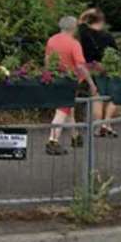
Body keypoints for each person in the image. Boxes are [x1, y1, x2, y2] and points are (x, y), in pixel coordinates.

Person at [44, 15, 97, 155]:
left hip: (55, 79)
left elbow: (47, 60)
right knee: (63, 110)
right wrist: (91, 83)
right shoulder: (74, 44)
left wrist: (48, 75)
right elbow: (80, 66)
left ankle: (75, 136)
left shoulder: (51, 40)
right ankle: (52, 140)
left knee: (68, 110)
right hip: (69, 81)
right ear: (73, 28)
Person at [77, 8, 120, 137]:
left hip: (90, 67)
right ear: (101, 21)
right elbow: (117, 54)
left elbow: (79, 21)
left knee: (97, 96)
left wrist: (87, 13)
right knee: (114, 96)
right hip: (107, 68)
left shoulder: (84, 33)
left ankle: (98, 125)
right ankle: (106, 123)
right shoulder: (107, 36)